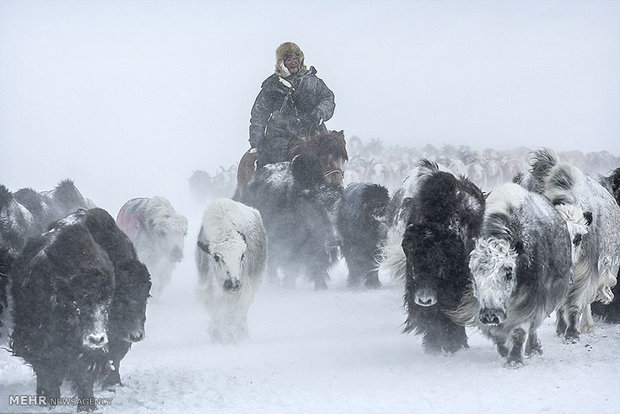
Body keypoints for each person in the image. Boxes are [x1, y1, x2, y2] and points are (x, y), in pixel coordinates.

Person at [249, 42, 335, 167]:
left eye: (296, 59)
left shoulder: (313, 81)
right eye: (289, 60)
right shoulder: (272, 86)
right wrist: (256, 143)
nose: (294, 62)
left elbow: (328, 98)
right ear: (281, 64)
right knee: (275, 168)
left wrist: (319, 114)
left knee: (332, 157)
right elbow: (259, 114)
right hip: (281, 137)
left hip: (312, 132)